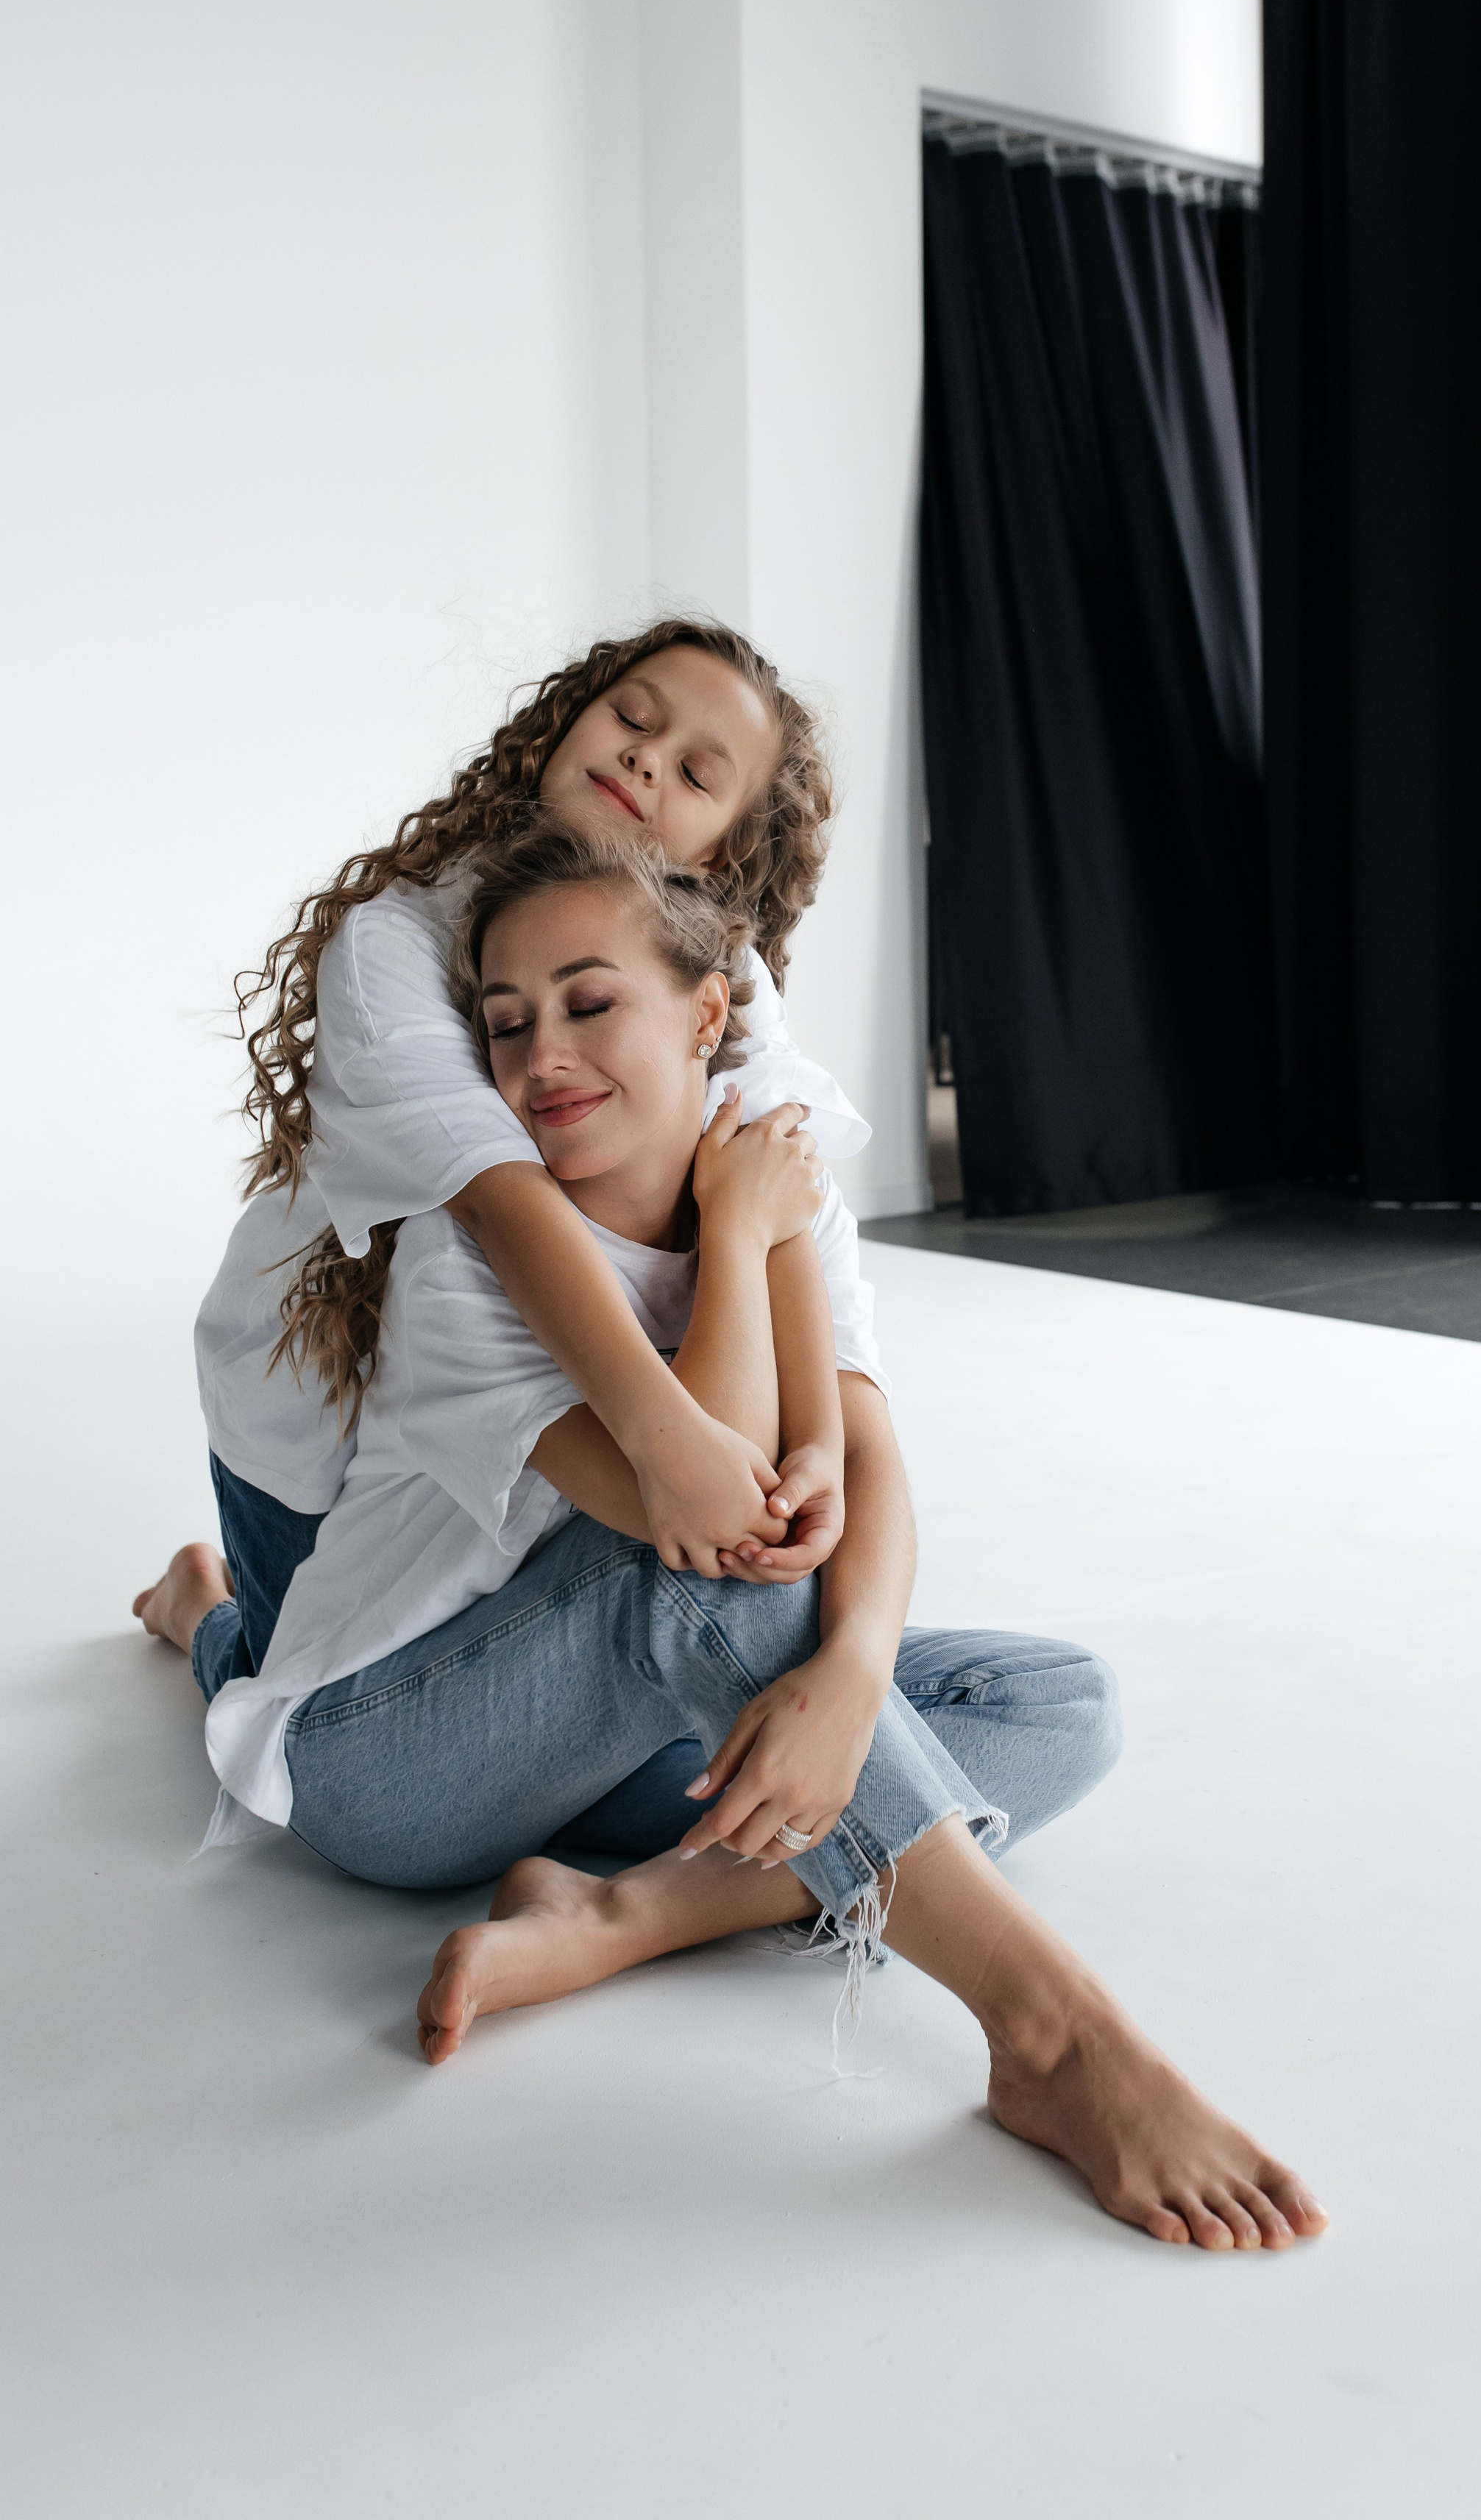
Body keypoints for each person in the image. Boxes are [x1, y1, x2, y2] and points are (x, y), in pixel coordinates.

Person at [136, 828, 1327, 2254]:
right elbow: (710, 1522)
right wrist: (745, 1232)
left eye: (589, 1002)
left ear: (708, 1015)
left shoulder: (771, 1182)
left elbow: (859, 1471)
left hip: (604, 1748)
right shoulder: (470, 1267)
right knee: (706, 1585)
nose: (540, 1056)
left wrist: (851, 1679)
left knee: (1056, 1704)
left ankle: (626, 1914)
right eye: (505, 1025)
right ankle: (1052, 2037)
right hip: (390, 1764)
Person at [177, 622, 870, 1731]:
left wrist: (817, 1452)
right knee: (286, 1684)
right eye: (631, 718)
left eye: (697, 773)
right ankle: (199, 1613)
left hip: (542, 1397)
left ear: (722, 856)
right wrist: (675, 1448)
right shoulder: (398, 942)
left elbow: (775, 1184)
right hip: (319, 1394)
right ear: (563, 723)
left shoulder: (717, 977)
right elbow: (506, 1206)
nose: (645, 758)